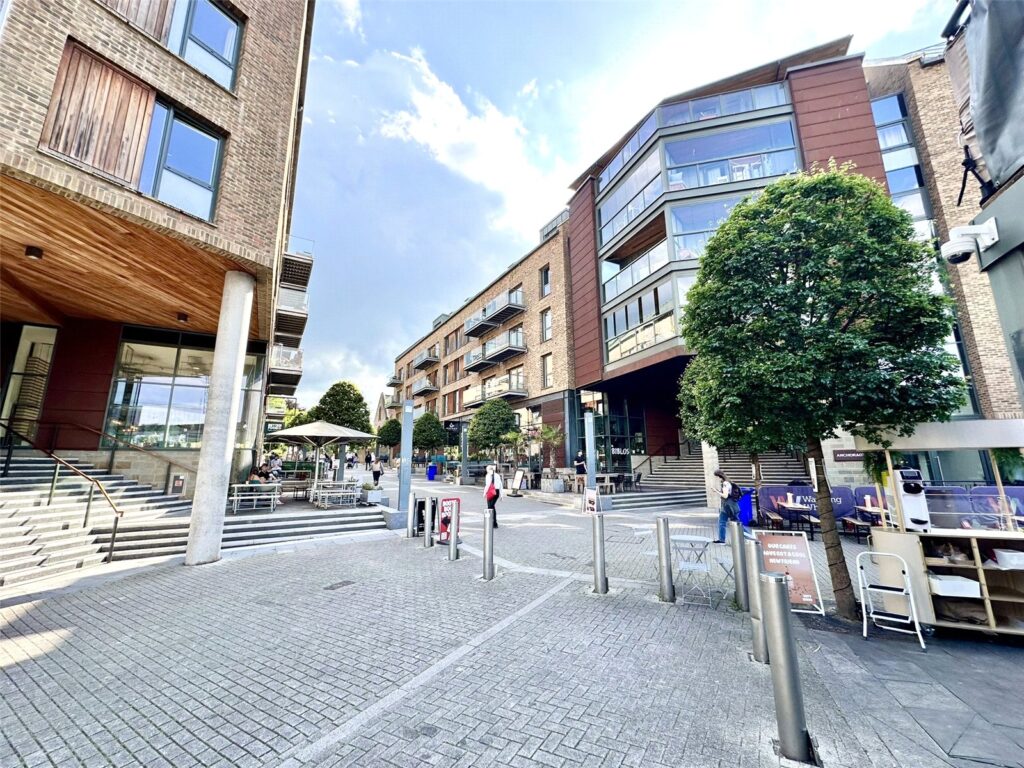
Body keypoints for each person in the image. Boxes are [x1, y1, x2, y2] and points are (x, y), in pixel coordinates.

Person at [714, 469, 740, 544]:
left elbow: (725, 496)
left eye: (716, 477)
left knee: (735, 523)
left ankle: (749, 537)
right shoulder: (728, 482)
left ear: (719, 476)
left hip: (728, 507)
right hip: (730, 506)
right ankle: (721, 539)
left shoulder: (725, 483)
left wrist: (716, 491)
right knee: (726, 522)